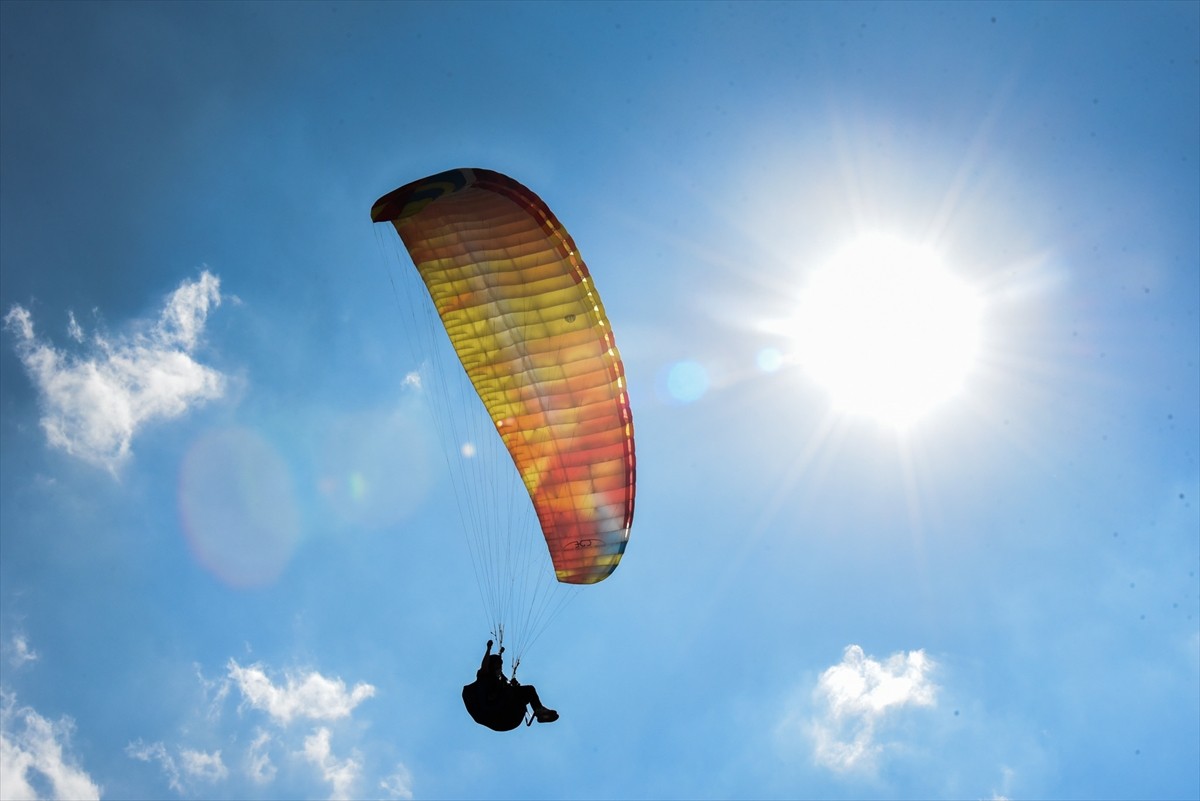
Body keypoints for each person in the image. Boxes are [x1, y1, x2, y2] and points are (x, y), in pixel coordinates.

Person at [462, 640, 558, 731]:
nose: (499, 669)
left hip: (509, 717)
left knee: (526, 691)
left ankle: (539, 712)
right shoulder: (485, 677)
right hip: (497, 713)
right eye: (497, 666)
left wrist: (515, 687)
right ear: (492, 666)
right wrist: (488, 649)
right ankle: (539, 711)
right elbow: (485, 666)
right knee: (529, 690)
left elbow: (507, 690)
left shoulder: (501, 680)